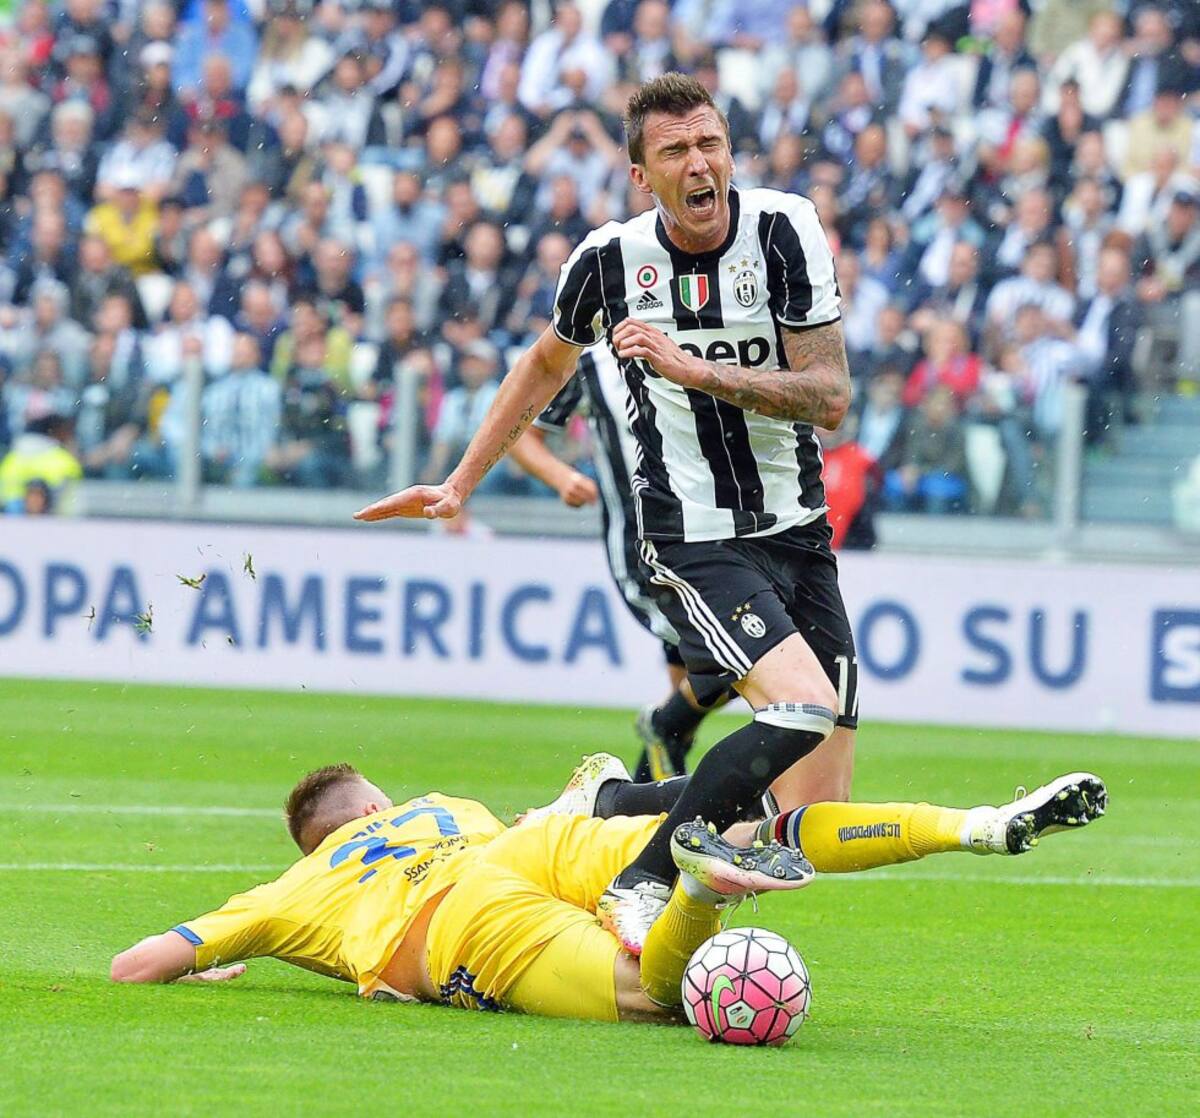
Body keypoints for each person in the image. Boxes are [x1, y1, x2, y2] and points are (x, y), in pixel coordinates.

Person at [355, 73, 859, 955]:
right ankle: (645, 875)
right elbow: (544, 366)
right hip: (692, 534)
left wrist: (704, 374)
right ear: (641, 175)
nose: (701, 163)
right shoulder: (609, 262)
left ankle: (613, 805)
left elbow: (830, 396)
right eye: (675, 151)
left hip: (798, 530)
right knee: (801, 708)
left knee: (810, 816)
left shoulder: (785, 228)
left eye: (711, 143)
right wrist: (460, 483)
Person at [109, 759, 1108, 1024]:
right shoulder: (445, 803)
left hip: (458, 920)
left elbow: (138, 962)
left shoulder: (292, 885)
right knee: (748, 820)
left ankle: (703, 897)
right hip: (536, 845)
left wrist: (209, 966)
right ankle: (973, 823)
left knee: (655, 992)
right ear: (376, 801)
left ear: (322, 834)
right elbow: (535, 847)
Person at [508, 342, 735, 782]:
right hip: (644, 549)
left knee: (691, 699)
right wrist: (562, 477)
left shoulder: (695, 338)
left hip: (712, 539)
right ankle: (664, 738)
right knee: (736, 655)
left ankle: (648, 816)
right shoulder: (590, 362)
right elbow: (520, 431)